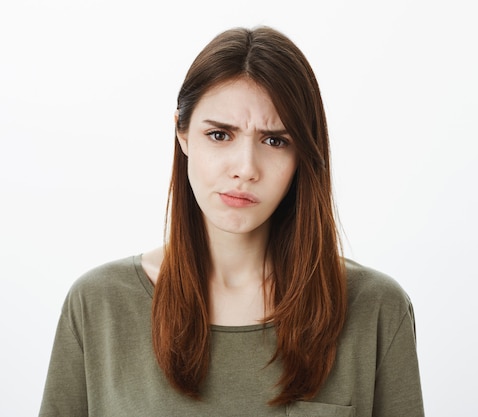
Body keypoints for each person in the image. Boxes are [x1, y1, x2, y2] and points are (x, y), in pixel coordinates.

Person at [38, 26, 425, 416]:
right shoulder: (99, 306)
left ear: (303, 153)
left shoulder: (375, 309)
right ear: (183, 133)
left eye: (275, 140)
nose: (245, 168)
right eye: (220, 135)